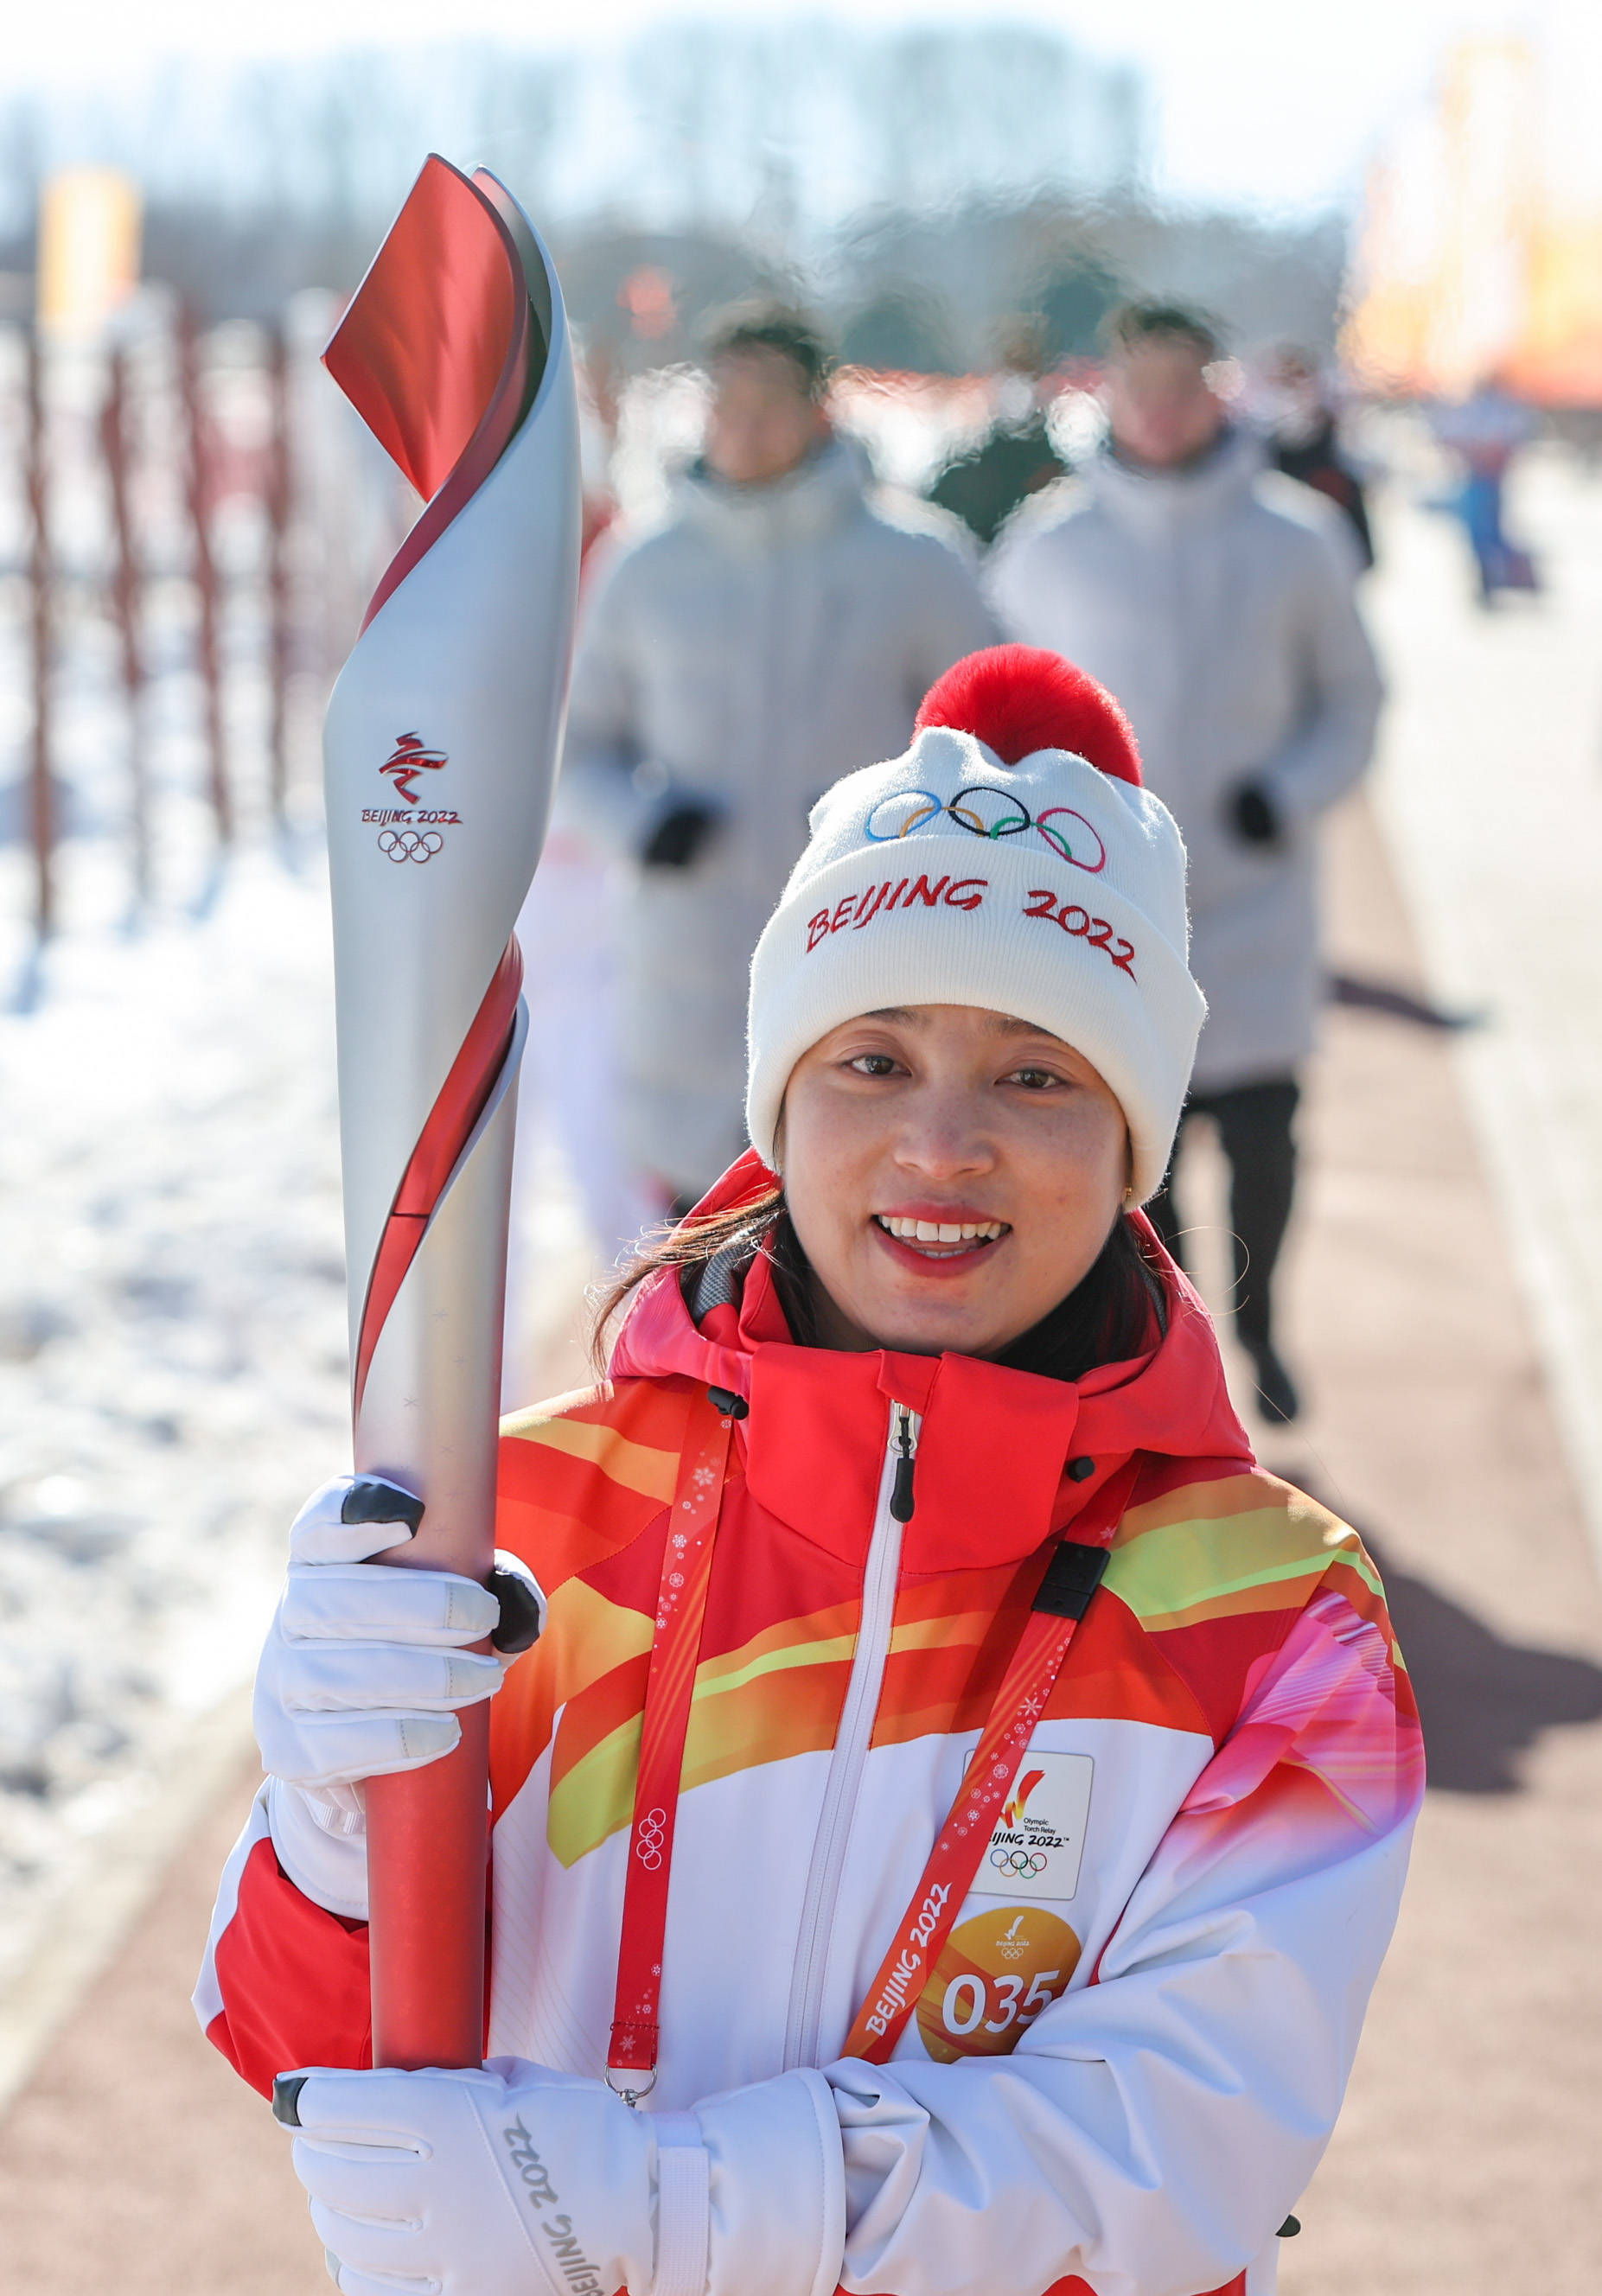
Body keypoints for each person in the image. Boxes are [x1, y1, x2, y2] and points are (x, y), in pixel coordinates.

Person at [198, 645, 1420, 2296]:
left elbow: (1168, 2161)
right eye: (871, 1060)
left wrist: (637, 2211)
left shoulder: (1277, 1621)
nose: (941, 1143)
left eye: (1037, 1073)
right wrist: (329, 1815)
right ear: (779, 1100)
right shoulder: (526, 1528)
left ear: (1132, 1139)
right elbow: (299, 2046)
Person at [989, 303, 1383, 1423]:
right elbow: (999, 709)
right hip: (1110, 912)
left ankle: (1262, 1333)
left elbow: (1352, 699)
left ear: (1219, 390)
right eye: (1139, 385)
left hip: (1256, 904)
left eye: (1183, 384)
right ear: (1106, 392)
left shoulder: (1295, 538)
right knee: (1130, 1167)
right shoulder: (1050, 543)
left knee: (1261, 1138)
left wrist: (1291, 791)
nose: (1161, 410)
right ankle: (1176, 1361)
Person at [558, 302, 996, 1217]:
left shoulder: (915, 561)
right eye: (724, 402)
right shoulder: (644, 564)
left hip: (870, 944)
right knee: (698, 1253)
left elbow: (992, 733)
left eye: (767, 403)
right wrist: (643, 823)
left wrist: (911, 833)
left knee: (856, 1230)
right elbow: (581, 742)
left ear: (819, 413)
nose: (741, 425)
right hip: (690, 965)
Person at [1261, 347, 1374, 571]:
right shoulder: (1261, 436)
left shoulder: (1333, 423)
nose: (1293, 387)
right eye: (1285, 379)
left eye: (1298, 377)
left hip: (1338, 533)